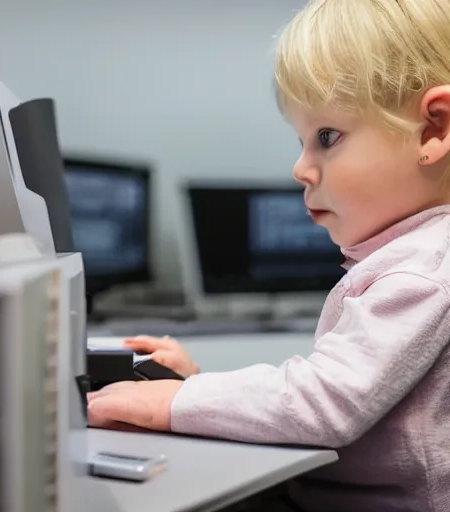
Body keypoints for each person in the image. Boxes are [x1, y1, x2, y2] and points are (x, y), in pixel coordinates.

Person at [88, 0, 450, 510]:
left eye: (327, 137)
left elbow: (326, 403)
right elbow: (330, 390)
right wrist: (201, 387)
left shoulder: (423, 270)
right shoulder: (412, 259)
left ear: (434, 129)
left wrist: (180, 401)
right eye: (303, 141)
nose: (301, 168)